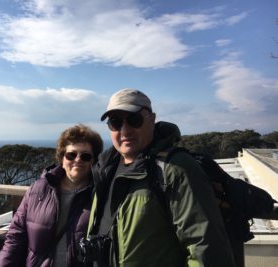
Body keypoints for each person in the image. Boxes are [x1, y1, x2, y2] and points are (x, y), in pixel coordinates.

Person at [84, 89, 236, 266]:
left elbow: (205, 249)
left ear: (152, 118)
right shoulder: (104, 167)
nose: (124, 131)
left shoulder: (175, 168)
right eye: (115, 122)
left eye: (134, 120)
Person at [0, 124, 103, 267]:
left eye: (85, 156)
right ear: (62, 158)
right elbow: (16, 237)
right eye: (71, 155)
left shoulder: (100, 195)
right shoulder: (38, 190)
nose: (78, 160)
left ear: (93, 161)